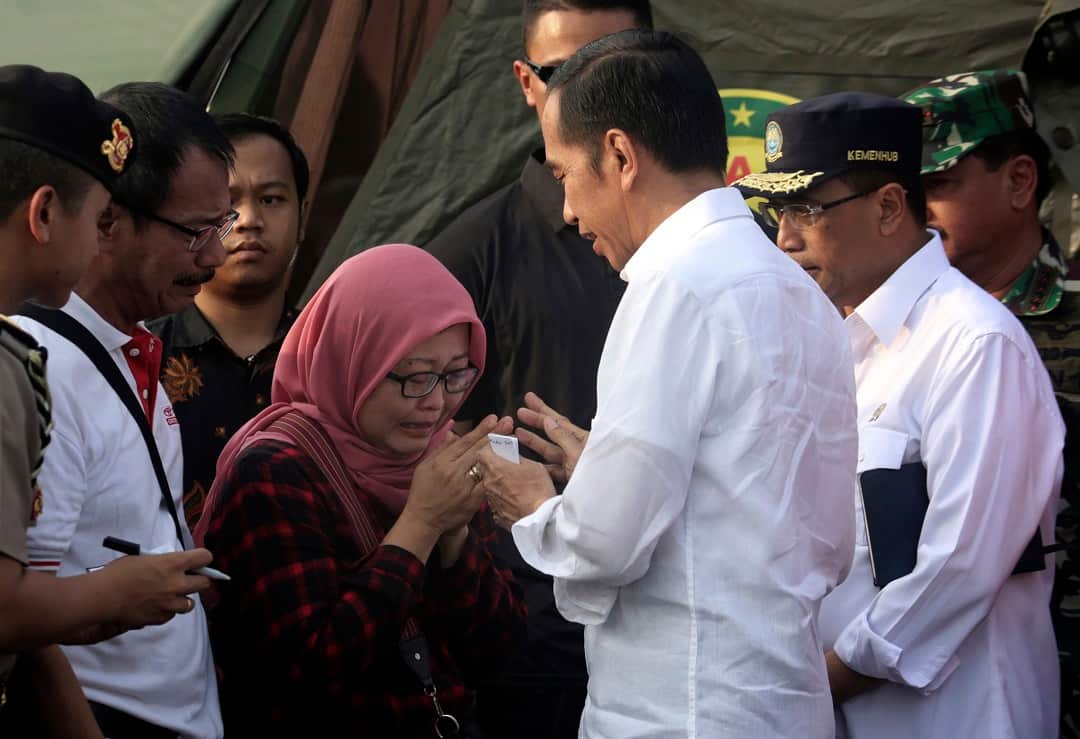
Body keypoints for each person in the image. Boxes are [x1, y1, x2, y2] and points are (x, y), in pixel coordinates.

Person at [476, 30, 858, 737]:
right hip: (781, 697)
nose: (566, 211)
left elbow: (607, 543)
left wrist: (534, 504)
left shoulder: (673, 285)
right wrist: (606, 468)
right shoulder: (800, 292)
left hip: (682, 705)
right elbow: (787, 519)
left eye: (564, 176)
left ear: (620, 156)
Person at [735, 92, 1063, 737]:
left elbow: (962, 565)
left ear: (889, 206)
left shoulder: (973, 343)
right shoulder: (835, 337)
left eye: (806, 208)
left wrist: (821, 681)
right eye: (778, 211)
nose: (785, 237)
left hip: (955, 716)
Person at [193, 244, 526, 737]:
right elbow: (313, 670)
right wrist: (420, 525)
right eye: (414, 378)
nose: (436, 403)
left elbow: (499, 652)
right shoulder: (276, 471)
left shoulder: (437, 457)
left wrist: (454, 535)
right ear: (352, 360)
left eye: (455, 374)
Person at [425, 4, 650, 734]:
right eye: (566, 74)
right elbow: (420, 434)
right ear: (527, 84)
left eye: (614, 65)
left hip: (677, 630)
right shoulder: (468, 255)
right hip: (533, 639)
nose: (594, 93)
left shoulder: (715, 250)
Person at [0, 66, 218, 739]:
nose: (215, 255)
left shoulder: (134, 346)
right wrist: (114, 593)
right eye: (192, 231)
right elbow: (15, 607)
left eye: (225, 222)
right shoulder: (34, 367)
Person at [903, 69, 1080, 736]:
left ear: (1020, 182)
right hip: (930, 684)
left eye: (939, 184)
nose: (915, 208)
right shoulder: (889, 331)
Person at [152, 113, 308, 529]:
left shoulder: (331, 356)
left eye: (271, 199)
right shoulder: (143, 357)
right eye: (227, 202)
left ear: (302, 218)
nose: (248, 219)